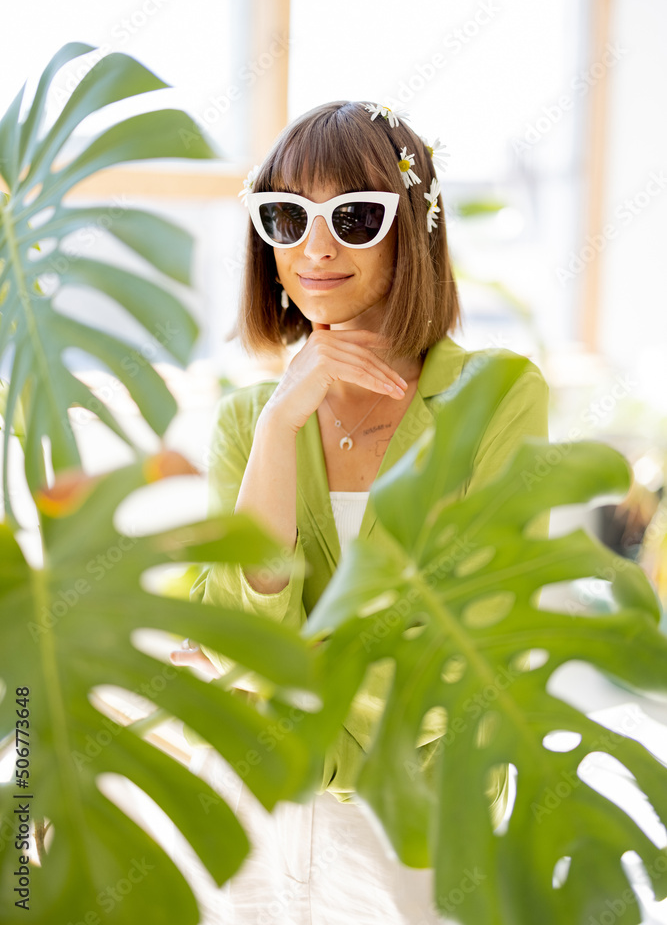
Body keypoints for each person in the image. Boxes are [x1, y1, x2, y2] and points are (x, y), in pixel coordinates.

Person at [170, 100, 549, 924]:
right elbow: (228, 618)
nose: (314, 246)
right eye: (284, 216)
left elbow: (474, 637)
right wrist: (279, 427)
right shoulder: (248, 418)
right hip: (259, 815)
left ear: (411, 228)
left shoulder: (496, 396)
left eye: (353, 215)